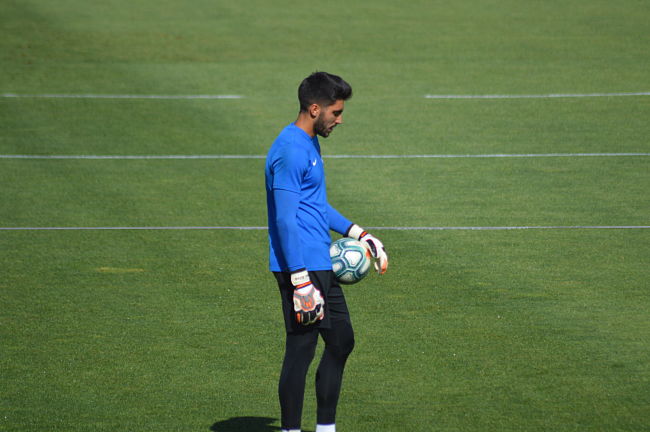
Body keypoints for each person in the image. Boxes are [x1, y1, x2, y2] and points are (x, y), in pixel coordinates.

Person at [265, 71, 389, 432]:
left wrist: (360, 233)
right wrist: (300, 282)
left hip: (321, 261)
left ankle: (325, 428)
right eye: (336, 112)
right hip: (301, 266)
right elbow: (285, 219)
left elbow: (315, 205)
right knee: (301, 350)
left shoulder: (309, 143)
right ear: (315, 109)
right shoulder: (290, 150)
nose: (340, 120)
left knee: (341, 340)